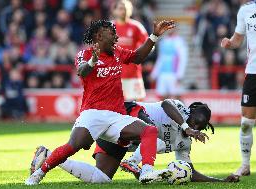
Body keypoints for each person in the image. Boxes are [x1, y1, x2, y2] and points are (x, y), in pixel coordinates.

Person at [25, 19, 207, 185]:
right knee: (74, 145)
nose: (116, 36)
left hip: (116, 116)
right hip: (93, 113)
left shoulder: (118, 53)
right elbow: (82, 71)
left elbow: (138, 57)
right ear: (99, 35)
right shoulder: (85, 54)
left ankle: (146, 171)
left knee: (149, 131)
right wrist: (92, 62)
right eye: (112, 33)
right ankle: (39, 172)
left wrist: (154, 36)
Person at [29, 99, 239, 183]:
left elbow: (190, 171)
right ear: (189, 113)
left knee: (101, 179)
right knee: (153, 135)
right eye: (194, 122)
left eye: (200, 127)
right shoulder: (179, 109)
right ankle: (133, 164)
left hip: (125, 141)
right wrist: (185, 125)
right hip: (127, 117)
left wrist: (219, 182)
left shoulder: (185, 143)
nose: (195, 128)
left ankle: (47, 156)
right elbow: (166, 104)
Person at [221, 0, 256, 176]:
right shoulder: (245, 10)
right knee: (246, 123)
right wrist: (229, 43)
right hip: (253, 72)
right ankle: (245, 164)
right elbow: (238, 39)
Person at [112, 0, 148, 101]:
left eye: (126, 8)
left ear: (130, 11)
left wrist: (143, 54)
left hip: (133, 73)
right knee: (114, 107)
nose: (123, 11)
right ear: (114, 11)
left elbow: (148, 44)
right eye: (120, 8)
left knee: (139, 106)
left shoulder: (136, 27)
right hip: (114, 74)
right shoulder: (108, 27)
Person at [150, 28, 188, 100]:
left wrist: (179, 75)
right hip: (163, 74)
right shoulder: (163, 42)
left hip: (173, 74)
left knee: (174, 97)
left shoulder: (179, 42)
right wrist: (154, 74)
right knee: (162, 97)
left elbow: (183, 59)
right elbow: (160, 59)